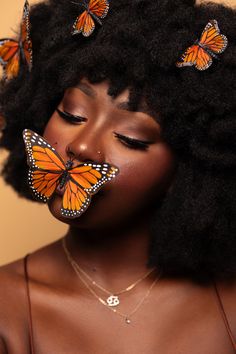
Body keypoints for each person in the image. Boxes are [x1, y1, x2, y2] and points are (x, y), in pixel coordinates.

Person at [0, 0, 235, 352]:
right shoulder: (9, 309)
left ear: (188, 172)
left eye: (130, 138)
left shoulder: (228, 304)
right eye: (71, 114)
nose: (80, 147)